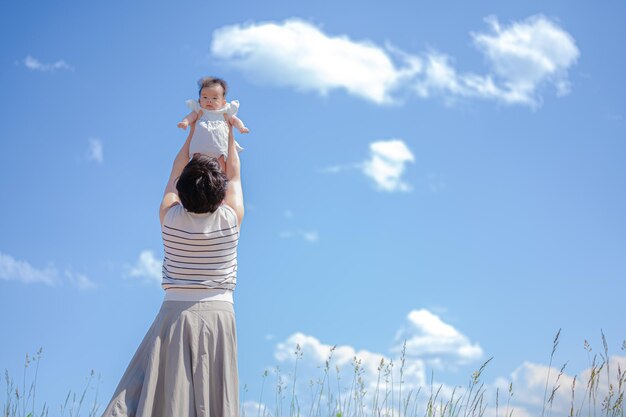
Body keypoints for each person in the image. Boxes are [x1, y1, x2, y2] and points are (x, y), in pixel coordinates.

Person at [101, 119, 244, 417]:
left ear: (182, 190)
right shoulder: (231, 220)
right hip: (219, 314)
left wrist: (192, 135)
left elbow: (174, 173)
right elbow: (236, 174)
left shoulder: (169, 218)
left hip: (174, 313)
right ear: (221, 193)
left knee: (161, 397)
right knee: (214, 399)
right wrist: (228, 133)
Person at [178, 77, 249, 173]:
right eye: (205, 97)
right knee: (196, 167)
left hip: (219, 150)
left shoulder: (223, 113)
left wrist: (241, 127)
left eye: (214, 98)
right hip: (199, 150)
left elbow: (235, 120)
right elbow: (190, 117)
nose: (209, 101)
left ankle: (222, 182)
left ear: (223, 102)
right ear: (199, 100)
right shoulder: (199, 111)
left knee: (221, 169)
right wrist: (185, 122)